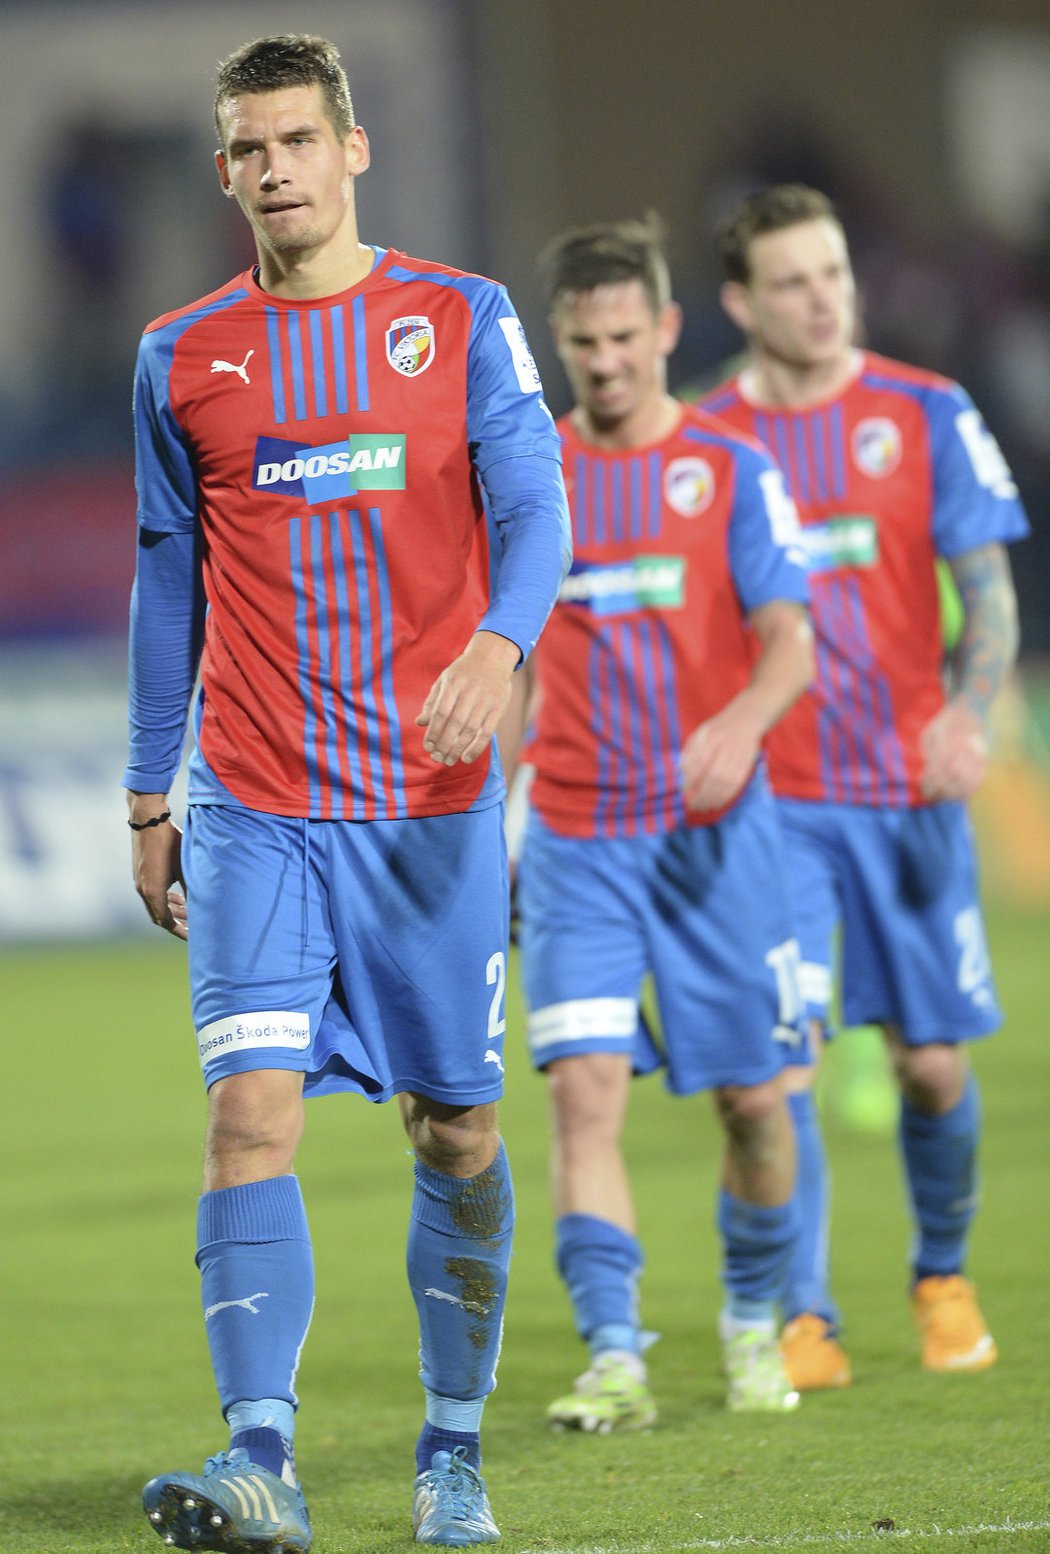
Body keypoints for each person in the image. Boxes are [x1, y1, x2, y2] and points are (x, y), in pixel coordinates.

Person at [124, 34, 570, 1553]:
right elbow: (164, 583)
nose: (274, 171)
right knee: (248, 1114)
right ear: (224, 168)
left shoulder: (462, 320)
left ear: (352, 151)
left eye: (298, 142)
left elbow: (536, 514)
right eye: (247, 150)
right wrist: (144, 792)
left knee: (456, 1130)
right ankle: (263, 1463)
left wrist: (501, 645)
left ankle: (451, 1453)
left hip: (428, 807)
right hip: (253, 803)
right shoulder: (179, 355)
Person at [701, 184, 1029, 1391]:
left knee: (931, 1066)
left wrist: (968, 705)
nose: (823, 297)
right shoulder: (710, 440)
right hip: (772, 809)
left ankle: (941, 1275)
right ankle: (804, 1314)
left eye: (834, 271)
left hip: (906, 795)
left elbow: (987, 592)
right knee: (779, 1075)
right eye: (792, 281)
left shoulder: (927, 411)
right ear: (741, 301)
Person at [500, 217, 815, 1429]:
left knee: (752, 1101)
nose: (610, 361)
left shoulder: (732, 469)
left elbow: (789, 634)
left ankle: (749, 1323)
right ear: (561, 344)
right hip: (582, 843)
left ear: (669, 329)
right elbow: (515, 653)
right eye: (586, 343)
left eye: (628, 337)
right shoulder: (530, 477)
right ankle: (617, 1354)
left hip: (718, 839)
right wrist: (498, 792)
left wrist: (740, 723)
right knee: (583, 1095)